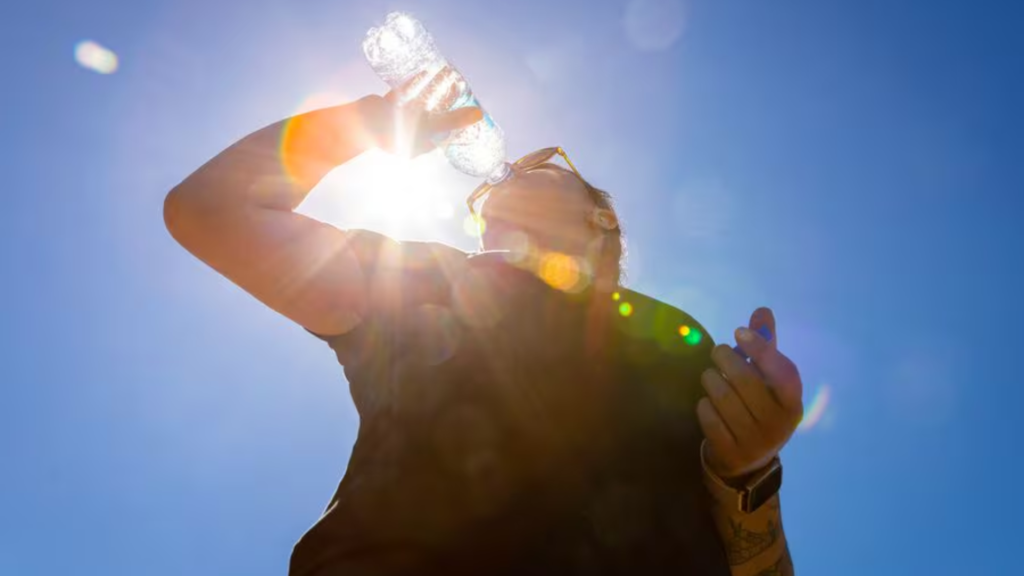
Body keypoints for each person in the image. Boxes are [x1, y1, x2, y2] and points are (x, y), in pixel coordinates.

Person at [164, 89, 804, 576]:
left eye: (541, 163)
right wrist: (359, 124)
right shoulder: (426, 282)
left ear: (601, 216)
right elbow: (210, 210)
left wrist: (748, 470)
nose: (506, 173)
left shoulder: (674, 334)